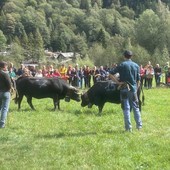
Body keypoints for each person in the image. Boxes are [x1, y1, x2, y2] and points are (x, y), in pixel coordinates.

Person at [109, 50, 142, 132]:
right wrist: (136, 90)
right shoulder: (136, 65)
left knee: (126, 108)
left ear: (124, 56)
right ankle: (139, 126)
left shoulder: (122, 65)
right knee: (136, 107)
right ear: (131, 56)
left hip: (124, 88)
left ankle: (128, 128)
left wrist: (118, 82)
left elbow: (110, 74)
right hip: (133, 89)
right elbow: (138, 80)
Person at [0, 61, 12, 128]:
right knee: (5, 109)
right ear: (4, 67)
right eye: (6, 66)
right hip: (5, 92)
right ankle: (2, 125)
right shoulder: (5, 74)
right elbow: (9, 84)